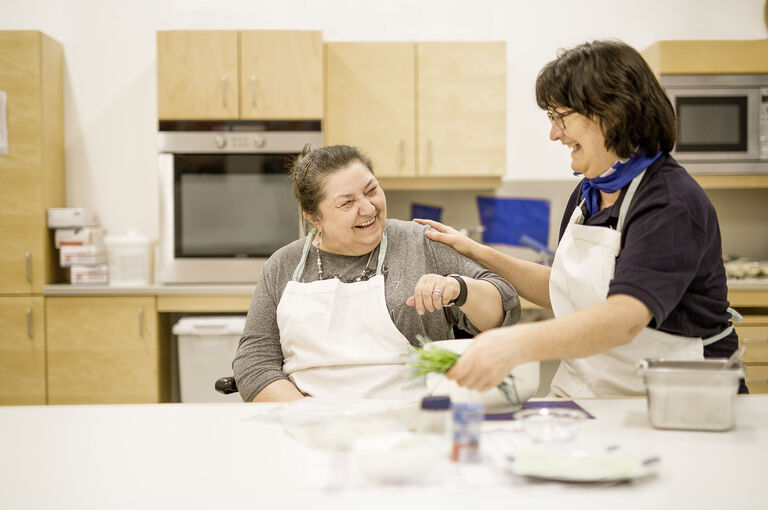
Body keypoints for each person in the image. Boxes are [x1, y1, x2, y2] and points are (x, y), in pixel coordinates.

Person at [417, 39, 744, 398]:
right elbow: (565, 288)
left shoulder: (669, 201)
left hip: (673, 401)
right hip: (589, 395)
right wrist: (476, 251)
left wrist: (513, 344)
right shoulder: (589, 192)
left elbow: (624, 319)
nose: (554, 134)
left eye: (561, 117)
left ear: (613, 113)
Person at [232, 144, 521, 402]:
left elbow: (505, 309)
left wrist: (461, 289)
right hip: (309, 426)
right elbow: (254, 362)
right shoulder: (282, 265)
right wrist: (308, 417)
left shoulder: (421, 243)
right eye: (347, 203)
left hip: (412, 422)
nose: (368, 208)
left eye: (372, 190)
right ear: (313, 217)